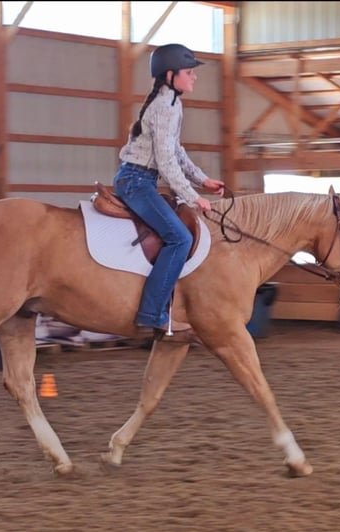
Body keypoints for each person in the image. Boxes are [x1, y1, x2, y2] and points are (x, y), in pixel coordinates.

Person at [113, 43, 225, 334]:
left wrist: (203, 180)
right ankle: (152, 313)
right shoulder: (165, 107)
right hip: (137, 182)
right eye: (190, 72)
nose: (194, 77)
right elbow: (165, 162)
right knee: (179, 239)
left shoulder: (172, 104)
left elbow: (176, 150)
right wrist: (193, 197)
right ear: (171, 75)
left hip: (142, 180)